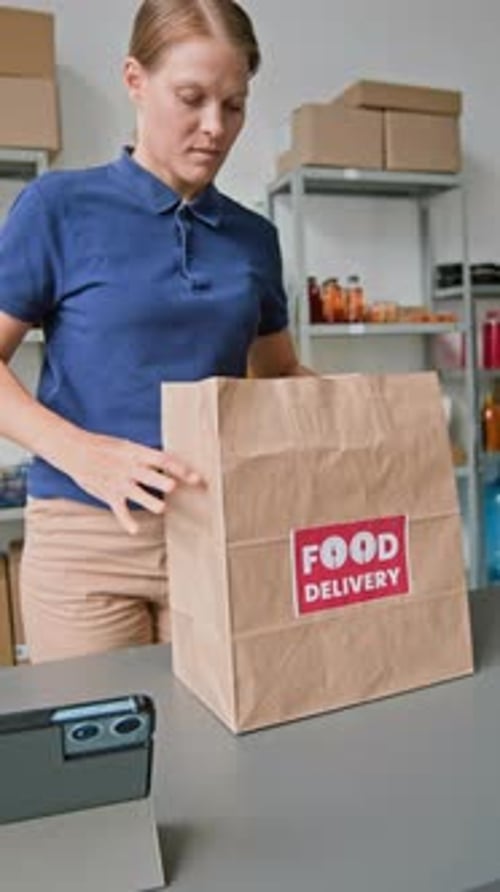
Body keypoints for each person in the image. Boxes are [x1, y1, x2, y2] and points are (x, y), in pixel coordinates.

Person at [0, 0, 311, 663]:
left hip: (217, 528)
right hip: (87, 536)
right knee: (103, 758)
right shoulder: (58, 208)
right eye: (191, 98)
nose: (215, 128)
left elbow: (279, 373)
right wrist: (84, 454)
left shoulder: (254, 239)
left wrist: (377, 421)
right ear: (135, 80)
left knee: (221, 752)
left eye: (234, 105)